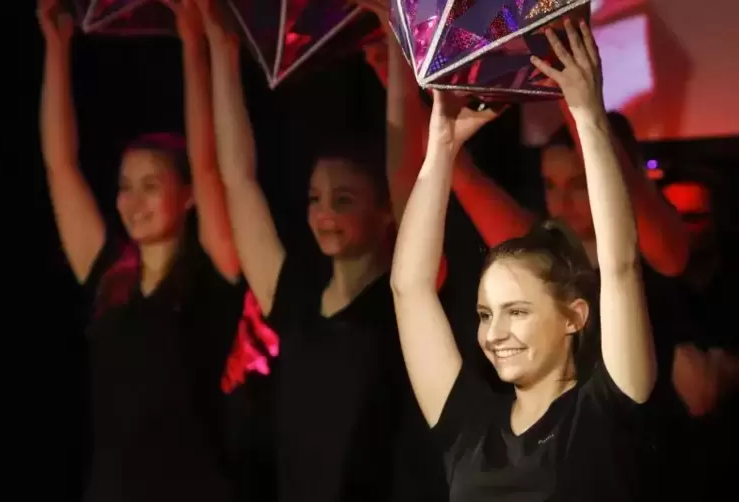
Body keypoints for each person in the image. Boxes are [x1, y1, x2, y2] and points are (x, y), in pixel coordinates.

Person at [391, 19, 657, 502]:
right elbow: (409, 289)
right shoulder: (469, 428)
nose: (494, 334)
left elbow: (620, 267)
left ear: (575, 316)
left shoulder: (601, 414)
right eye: (486, 314)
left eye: (517, 312)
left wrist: (588, 117)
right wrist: (441, 149)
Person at [197, 1, 445, 501]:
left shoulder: (404, 299)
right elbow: (238, 180)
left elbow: (406, 170)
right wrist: (222, 49)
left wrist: (396, 36)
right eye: (315, 199)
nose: (324, 213)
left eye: (344, 200)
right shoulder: (294, 298)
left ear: (385, 214)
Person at [38, 0, 249, 500]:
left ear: (187, 195)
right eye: (125, 186)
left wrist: (194, 44)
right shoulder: (110, 275)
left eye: (151, 184)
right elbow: (60, 165)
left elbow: (208, 164)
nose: (133, 201)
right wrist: (56, 48)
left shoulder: (211, 271)